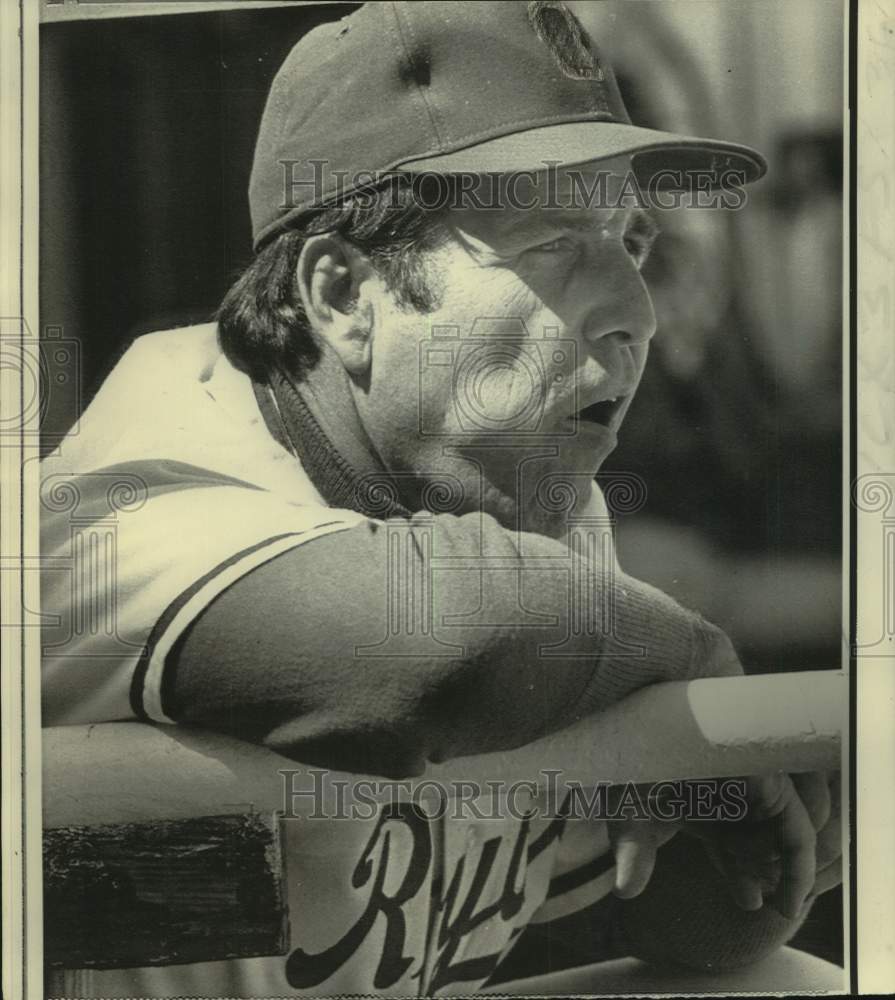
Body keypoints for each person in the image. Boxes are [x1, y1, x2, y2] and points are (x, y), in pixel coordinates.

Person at [40, 2, 842, 995]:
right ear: (342, 298)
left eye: (628, 243)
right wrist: (707, 680)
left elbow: (628, 896)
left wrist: (739, 863)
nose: (636, 311)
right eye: (554, 240)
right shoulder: (116, 502)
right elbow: (439, 637)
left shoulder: (519, 490)